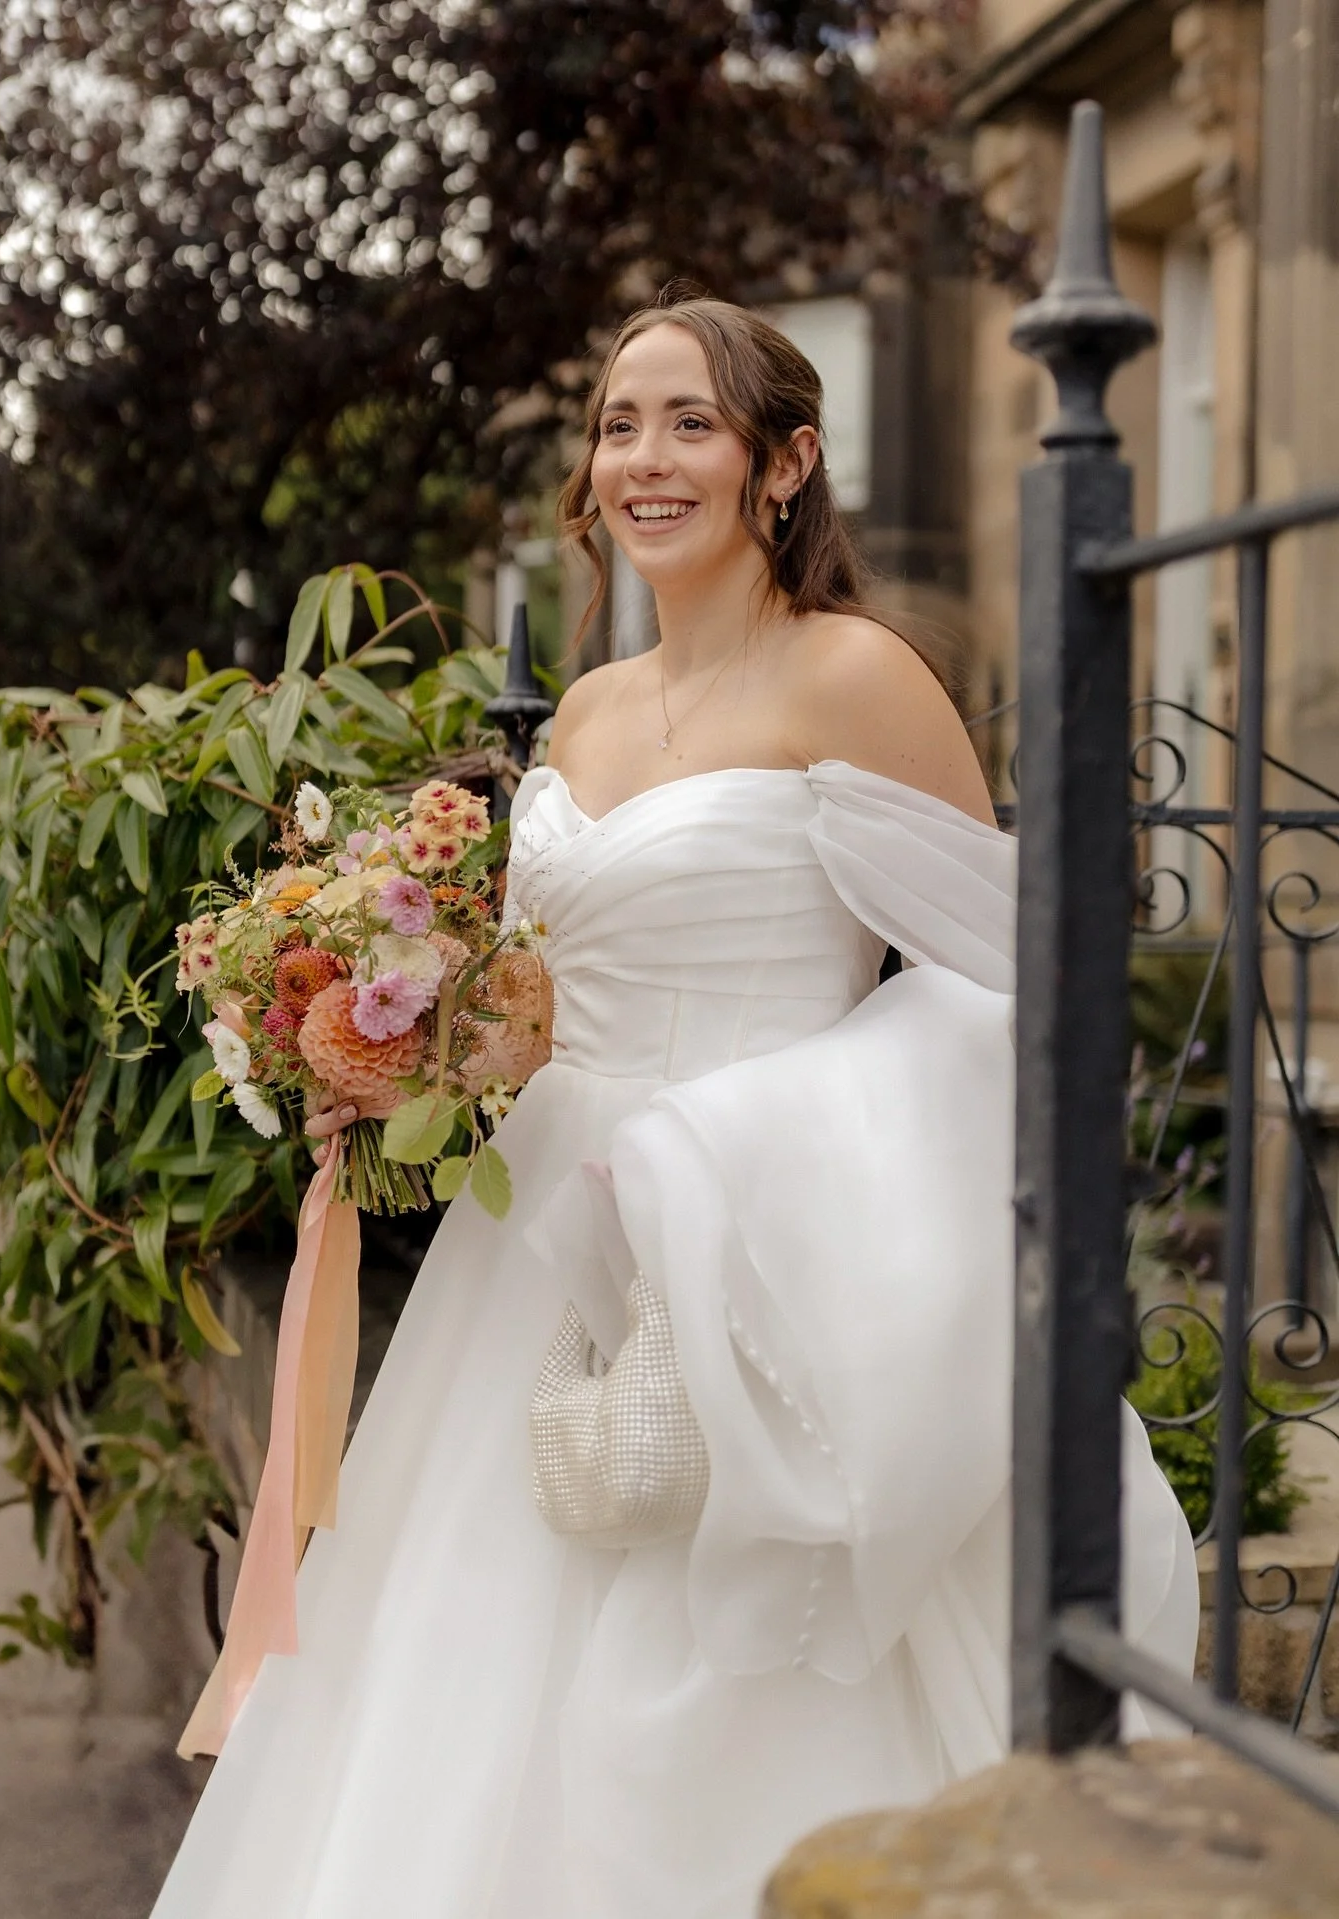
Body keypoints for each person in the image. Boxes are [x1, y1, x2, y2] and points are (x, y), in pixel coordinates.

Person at [151, 296, 1197, 1919]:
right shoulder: (581, 711)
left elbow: (1017, 994)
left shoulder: (857, 678)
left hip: (766, 1248)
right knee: (463, 1660)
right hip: (546, 1251)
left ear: (785, 463)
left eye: (689, 422)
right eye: (620, 422)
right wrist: (406, 1034)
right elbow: (558, 989)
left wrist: (748, 1145)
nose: (645, 458)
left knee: (719, 1685)